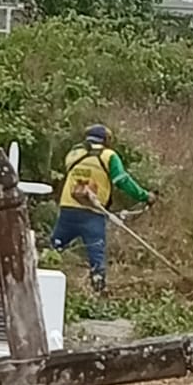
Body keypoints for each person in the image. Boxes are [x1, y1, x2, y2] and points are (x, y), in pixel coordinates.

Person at [51, 125, 153, 292]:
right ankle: (98, 288)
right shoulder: (109, 156)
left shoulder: (74, 153)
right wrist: (144, 196)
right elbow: (123, 181)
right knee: (96, 252)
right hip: (93, 212)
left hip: (68, 207)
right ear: (106, 139)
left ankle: (43, 272)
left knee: (56, 246)